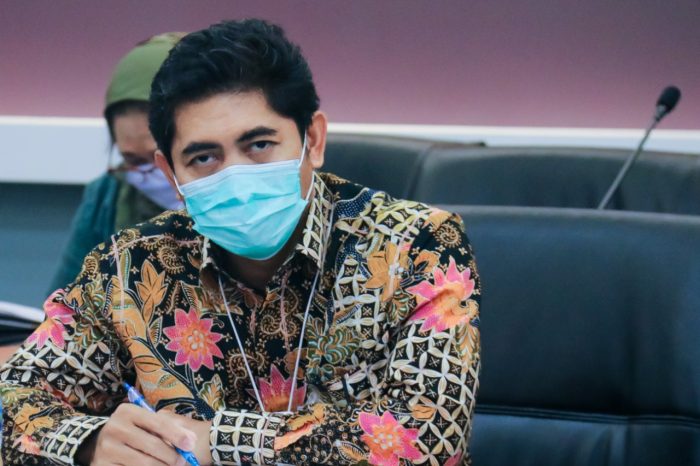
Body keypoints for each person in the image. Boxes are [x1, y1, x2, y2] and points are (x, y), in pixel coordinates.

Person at [0, 19, 481, 466]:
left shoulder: (416, 246)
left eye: (259, 145)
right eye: (204, 157)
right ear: (171, 173)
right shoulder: (130, 267)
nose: (235, 176)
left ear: (313, 140)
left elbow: (427, 440)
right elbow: (14, 400)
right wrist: (90, 443)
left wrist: (216, 440)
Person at [48, 33, 184, 293]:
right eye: (133, 160)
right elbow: (62, 300)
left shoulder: (235, 200)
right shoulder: (105, 197)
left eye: (161, 157)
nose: (151, 172)